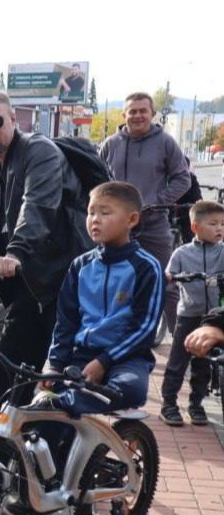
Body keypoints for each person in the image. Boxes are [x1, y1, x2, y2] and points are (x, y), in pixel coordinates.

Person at [0, 90, 91, 421]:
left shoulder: (39, 151)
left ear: (13, 118)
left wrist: (14, 253)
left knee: (50, 379)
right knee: (9, 370)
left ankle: (56, 460)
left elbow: (37, 209)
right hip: (27, 284)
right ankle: (7, 456)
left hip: (58, 279)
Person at [42, 181, 163, 415]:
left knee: (131, 388)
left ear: (132, 220)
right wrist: (55, 365)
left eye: (105, 212)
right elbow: (65, 321)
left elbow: (145, 327)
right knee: (39, 390)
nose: (95, 219)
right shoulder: (80, 266)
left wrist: (104, 361)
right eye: (90, 212)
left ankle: (68, 403)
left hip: (127, 357)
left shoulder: (147, 267)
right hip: (82, 353)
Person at [99, 92, 189, 334]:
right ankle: (111, 341)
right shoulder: (110, 144)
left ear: (152, 113)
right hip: (117, 227)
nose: (137, 116)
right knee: (111, 283)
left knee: (166, 284)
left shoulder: (166, 142)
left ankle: (182, 346)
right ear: (124, 114)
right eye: (132, 111)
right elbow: (97, 181)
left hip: (153, 224)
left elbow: (183, 179)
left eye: (142, 111)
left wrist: (156, 202)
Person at [160, 200, 224, 426]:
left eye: (222, 224)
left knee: (203, 364)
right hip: (188, 315)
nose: (219, 229)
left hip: (214, 319)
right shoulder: (182, 253)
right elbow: (169, 274)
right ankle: (168, 403)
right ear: (195, 227)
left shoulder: (223, 252)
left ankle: (196, 403)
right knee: (178, 361)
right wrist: (170, 278)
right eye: (213, 224)